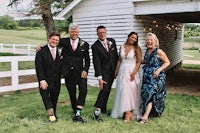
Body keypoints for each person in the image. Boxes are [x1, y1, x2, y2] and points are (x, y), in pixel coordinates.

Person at [59, 23, 90, 123]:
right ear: (69, 32)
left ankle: (78, 111)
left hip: (80, 72)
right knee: (72, 92)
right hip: (68, 72)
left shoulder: (84, 44)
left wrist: (85, 70)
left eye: (76, 31)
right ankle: (75, 111)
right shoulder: (63, 41)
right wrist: (41, 47)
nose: (74, 33)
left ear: (78, 32)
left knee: (83, 90)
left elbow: (87, 59)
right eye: (72, 31)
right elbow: (52, 45)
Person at [110, 32, 142, 122]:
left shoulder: (137, 48)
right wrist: (116, 72)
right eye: (132, 37)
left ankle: (128, 113)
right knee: (122, 91)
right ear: (128, 37)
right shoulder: (122, 46)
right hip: (122, 72)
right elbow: (119, 60)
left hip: (132, 71)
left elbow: (139, 62)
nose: (133, 39)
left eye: (135, 38)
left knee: (130, 92)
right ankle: (123, 111)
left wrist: (133, 73)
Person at [139, 32, 170, 124]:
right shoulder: (147, 51)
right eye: (148, 40)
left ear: (155, 41)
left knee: (151, 94)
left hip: (156, 77)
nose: (149, 42)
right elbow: (145, 61)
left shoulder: (159, 52)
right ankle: (150, 112)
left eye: (151, 40)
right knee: (145, 94)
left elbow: (167, 62)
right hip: (147, 76)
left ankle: (145, 117)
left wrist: (158, 70)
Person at [91, 25, 118, 121]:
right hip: (104, 72)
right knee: (104, 90)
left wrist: (116, 70)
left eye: (103, 32)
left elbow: (116, 56)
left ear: (106, 32)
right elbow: (96, 62)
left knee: (108, 90)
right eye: (99, 33)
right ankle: (97, 111)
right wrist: (99, 77)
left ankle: (103, 110)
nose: (102, 34)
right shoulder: (95, 46)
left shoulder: (112, 41)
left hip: (112, 71)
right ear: (97, 34)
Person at [35, 31, 62, 123]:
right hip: (45, 81)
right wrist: (42, 80)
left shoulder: (60, 50)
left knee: (54, 100)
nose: (55, 41)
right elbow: (39, 67)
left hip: (56, 81)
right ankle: (52, 117)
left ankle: (54, 116)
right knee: (47, 100)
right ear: (49, 39)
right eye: (53, 39)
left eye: (57, 40)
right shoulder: (41, 51)